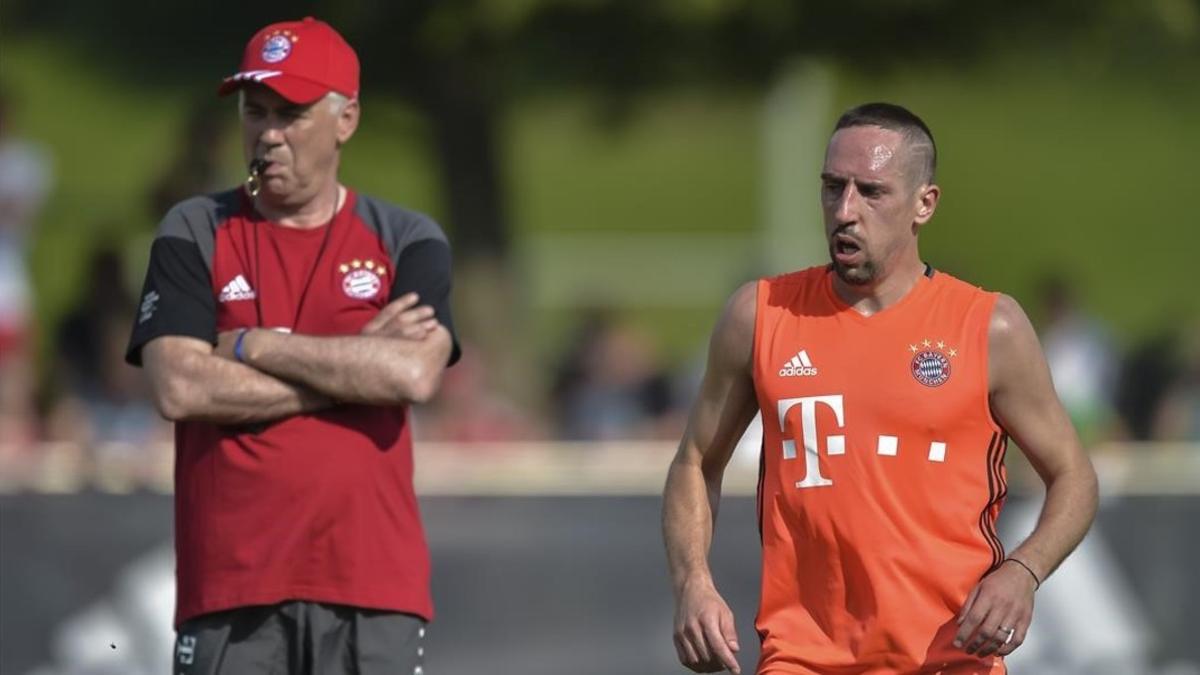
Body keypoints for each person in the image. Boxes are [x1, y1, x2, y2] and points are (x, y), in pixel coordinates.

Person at [662, 103, 1098, 674]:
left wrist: (1024, 571)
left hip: (949, 661)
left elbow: (1075, 476)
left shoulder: (989, 327)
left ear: (925, 204)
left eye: (871, 192)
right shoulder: (761, 315)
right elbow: (695, 461)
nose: (845, 211)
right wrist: (693, 582)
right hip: (801, 660)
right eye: (832, 187)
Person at [125, 17, 460, 675]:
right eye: (257, 111)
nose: (269, 134)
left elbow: (414, 374)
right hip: (232, 586)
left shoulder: (406, 237)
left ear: (347, 119)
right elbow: (179, 386)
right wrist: (355, 365)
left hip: (371, 586)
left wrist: (252, 344)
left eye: (293, 113)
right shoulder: (194, 228)